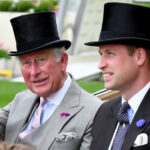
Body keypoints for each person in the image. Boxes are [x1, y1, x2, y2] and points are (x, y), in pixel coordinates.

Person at [0, 12, 102, 150]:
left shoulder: (95, 111)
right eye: (26, 63)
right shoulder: (20, 100)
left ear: (63, 61)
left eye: (41, 60)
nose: (34, 72)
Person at [85, 2, 150, 150]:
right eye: (101, 54)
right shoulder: (104, 111)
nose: (100, 65)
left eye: (110, 53)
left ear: (139, 56)